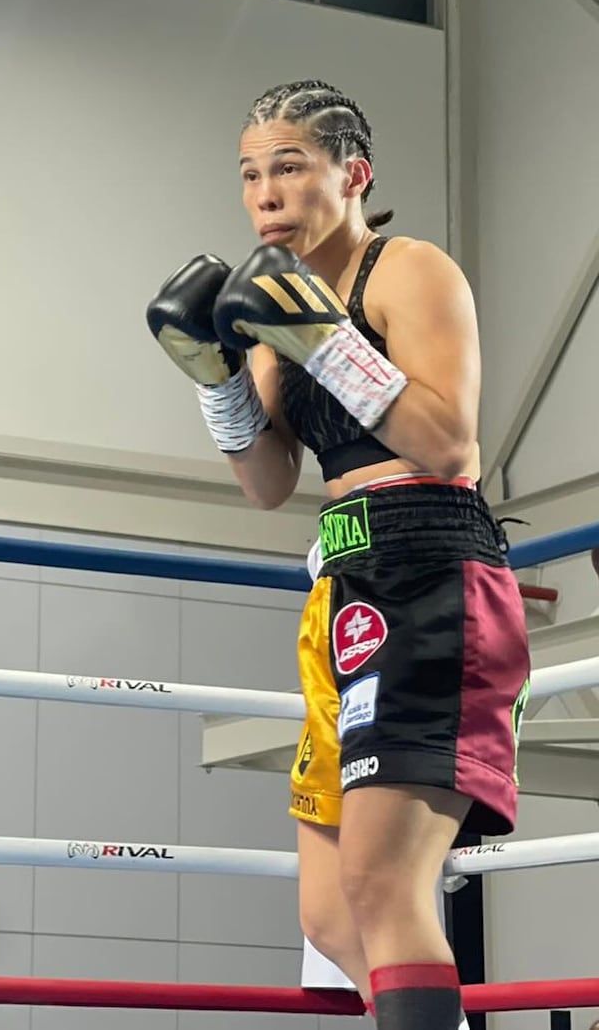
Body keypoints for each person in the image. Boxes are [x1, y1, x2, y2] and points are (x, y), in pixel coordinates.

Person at [147, 80, 529, 1030]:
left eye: (288, 166)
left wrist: (322, 339)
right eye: (248, 174)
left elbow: (448, 445)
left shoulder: (410, 271)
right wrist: (217, 375)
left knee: (381, 879)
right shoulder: (274, 316)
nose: (264, 193)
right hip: (341, 585)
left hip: (432, 567)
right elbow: (269, 483)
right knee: (328, 910)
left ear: (351, 174)